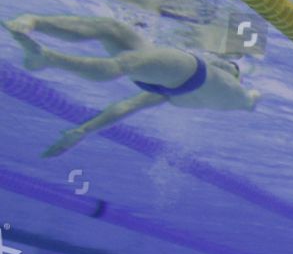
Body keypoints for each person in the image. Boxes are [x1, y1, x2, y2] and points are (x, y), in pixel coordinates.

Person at [5, 13, 259, 156]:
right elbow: (126, 107)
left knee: (124, 61)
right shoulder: (234, 96)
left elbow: (248, 89)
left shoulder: (234, 86)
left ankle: (49, 58)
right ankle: (35, 23)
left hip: (190, 72)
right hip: (173, 81)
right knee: (110, 28)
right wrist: (84, 131)